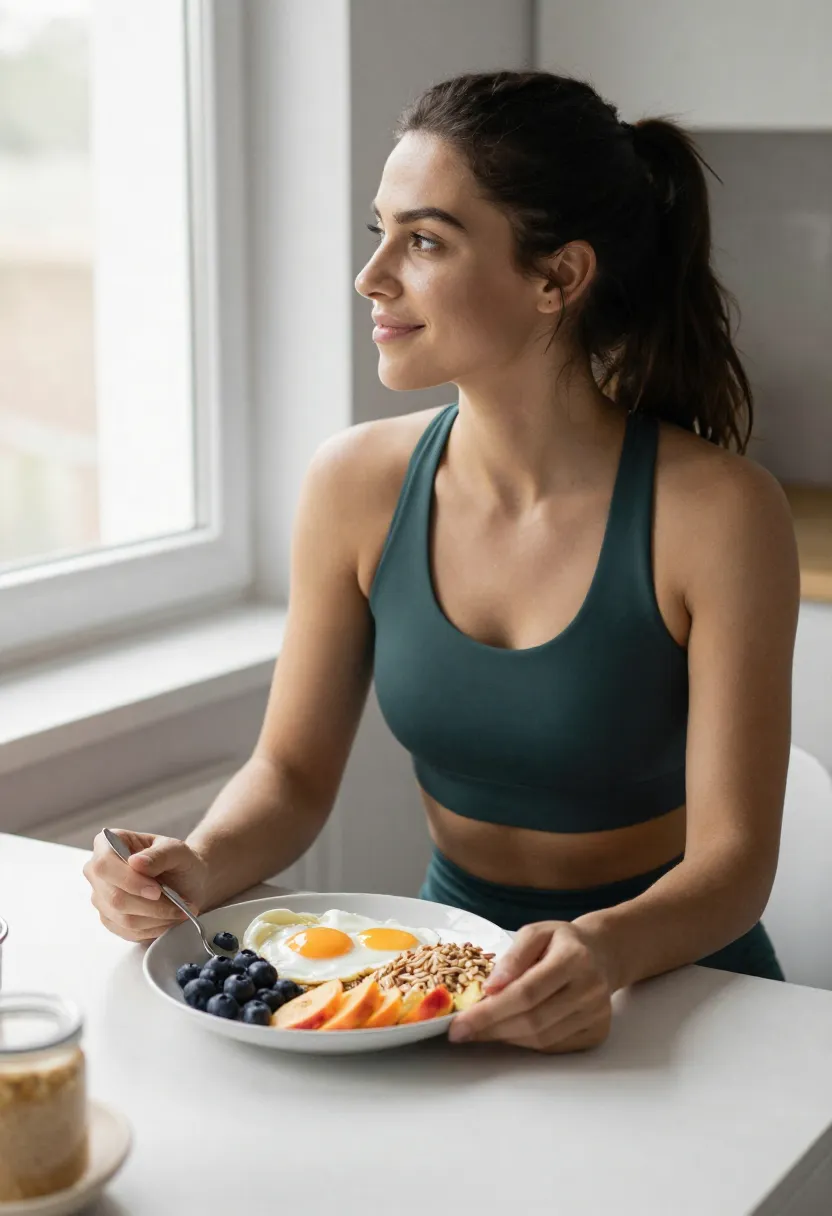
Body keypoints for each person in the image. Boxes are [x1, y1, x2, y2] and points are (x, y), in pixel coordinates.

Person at [83, 70, 800, 1054]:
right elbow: (288, 773)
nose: (371, 275)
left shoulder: (720, 513)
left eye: (422, 241)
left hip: (680, 994)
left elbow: (732, 863)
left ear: (558, 277)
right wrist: (197, 864)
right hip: (443, 985)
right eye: (376, 232)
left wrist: (598, 951)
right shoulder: (355, 483)